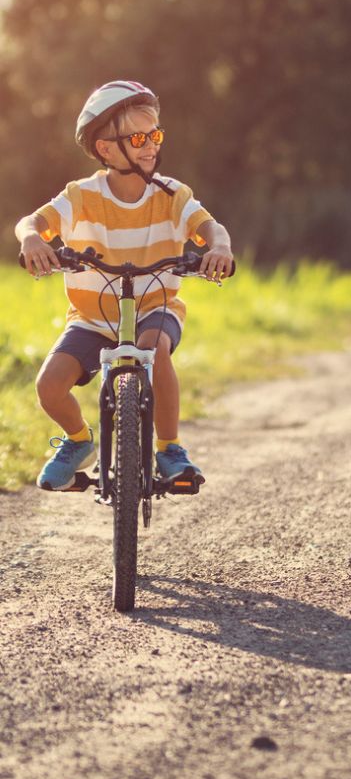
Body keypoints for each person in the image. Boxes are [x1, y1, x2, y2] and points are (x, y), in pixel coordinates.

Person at [15, 80, 234, 491]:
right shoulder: (81, 196)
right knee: (48, 386)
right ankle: (79, 440)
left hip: (154, 305)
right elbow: (31, 222)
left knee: (155, 351)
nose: (151, 145)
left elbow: (211, 228)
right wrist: (31, 239)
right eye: (138, 137)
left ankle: (168, 447)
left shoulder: (172, 195)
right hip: (92, 317)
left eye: (155, 135)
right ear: (106, 149)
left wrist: (218, 249)